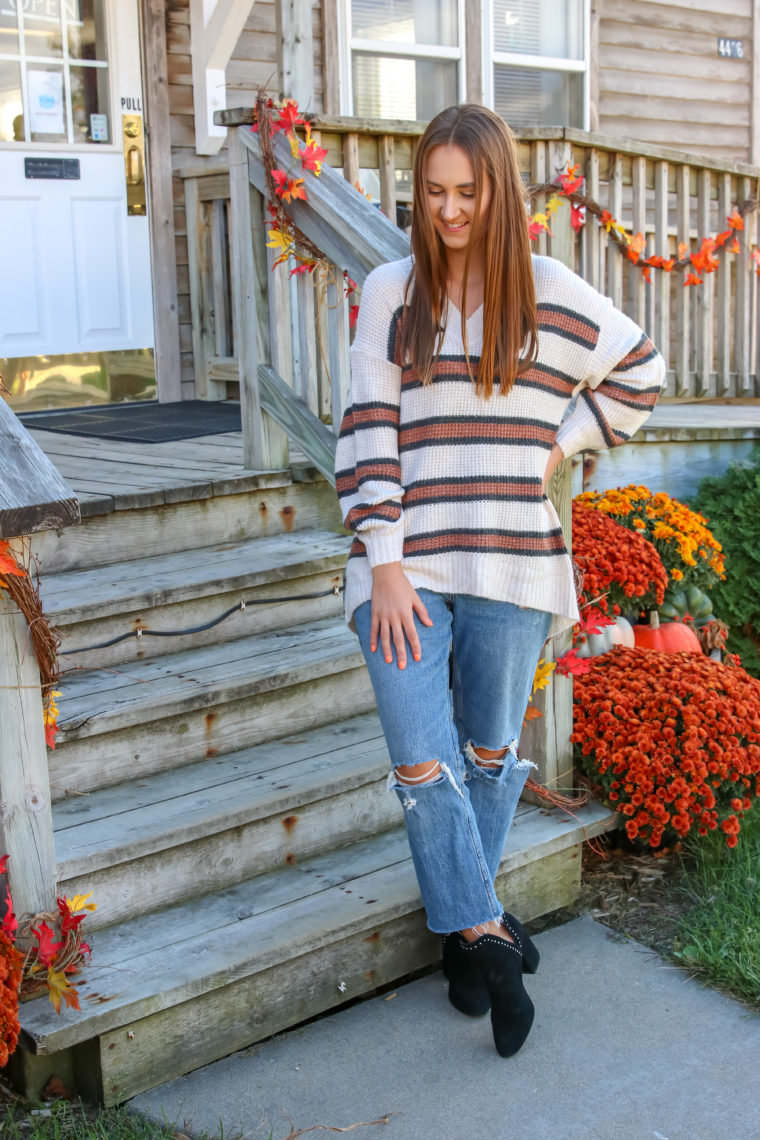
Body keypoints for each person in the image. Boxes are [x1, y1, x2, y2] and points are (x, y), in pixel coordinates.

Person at [334, 104, 665, 1057]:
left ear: (498, 193)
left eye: (467, 192)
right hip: (402, 570)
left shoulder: (552, 292)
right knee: (421, 761)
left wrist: (561, 442)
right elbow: (365, 431)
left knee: (484, 757)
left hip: (516, 562)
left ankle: (464, 950)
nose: (448, 210)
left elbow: (641, 373)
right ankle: (488, 937)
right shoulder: (393, 289)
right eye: (433, 192)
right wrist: (385, 565)